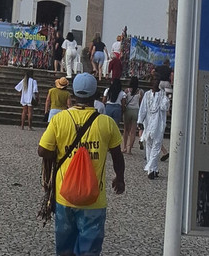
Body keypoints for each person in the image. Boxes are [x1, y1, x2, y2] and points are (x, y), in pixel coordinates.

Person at [38, 72, 125, 256]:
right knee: (89, 250)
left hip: (64, 196)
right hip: (94, 200)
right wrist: (120, 178)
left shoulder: (59, 120)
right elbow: (117, 156)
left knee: (65, 249)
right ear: (95, 95)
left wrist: (60, 152)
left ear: (74, 94)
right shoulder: (107, 124)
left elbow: (42, 150)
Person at [137, 71, 170, 179]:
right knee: (149, 146)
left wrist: (166, 97)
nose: (155, 82)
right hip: (148, 123)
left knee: (156, 146)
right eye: (153, 80)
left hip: (158, 124)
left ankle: (150, 168)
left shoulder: (162, 94)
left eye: (157, 80)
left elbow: (165, 107)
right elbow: (143, 109)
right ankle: (154, 169)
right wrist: (140, 121)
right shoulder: (147, 95)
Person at [122, 75, 143, 154]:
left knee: (126, 130)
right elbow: (141, 103)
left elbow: (124, 100)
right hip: (136, 111)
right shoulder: (140, 91)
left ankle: (124, 147)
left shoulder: (127, 90)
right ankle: (129, 149)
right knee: (133, 131)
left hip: (128, 110)